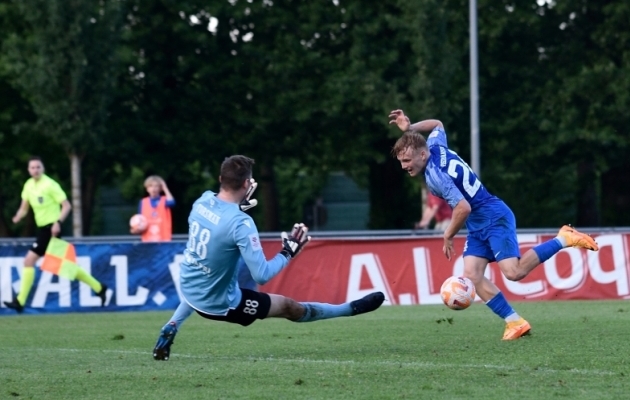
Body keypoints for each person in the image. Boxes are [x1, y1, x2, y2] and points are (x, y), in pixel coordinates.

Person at [388, 110, 599, 340]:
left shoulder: (436, 174)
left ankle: (564, 238)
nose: (404, 166)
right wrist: (410, 129)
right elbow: (438, 123)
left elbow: (463, 208)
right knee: (473, 275)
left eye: (407, 160)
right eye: (401, 161)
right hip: (479, 224)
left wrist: (448, 234)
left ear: (422, 154)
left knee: (514, 272)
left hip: (493, 216)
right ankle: (515, 322)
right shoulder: (436, 147)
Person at [152, 155, 384, 361]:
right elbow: (261, 275)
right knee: (289, 307)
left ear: (220, 177)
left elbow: (218, 224)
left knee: (204, 281)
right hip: (221, 305)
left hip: (189, 286)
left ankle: (172, 324)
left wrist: (237, 207)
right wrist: (288, 252)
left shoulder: (202, 201)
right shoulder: (241, 223)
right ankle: (348, 308)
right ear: (246, 184)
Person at [3, 156, 107, 313]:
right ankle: (99, 287)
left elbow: (66, 206)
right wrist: (18, 216)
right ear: (28, 170)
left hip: (52, 229)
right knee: (65, 267)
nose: (35, 170)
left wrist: (58, 222)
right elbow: (24, 207)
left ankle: (20, 301)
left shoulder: (50, 184)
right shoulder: (29, 185)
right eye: (32, 167)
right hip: (43, 229)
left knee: (29, 261)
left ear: (43, 168)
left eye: (38, 167)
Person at [132, 175, 175, 242]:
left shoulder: (165, 200)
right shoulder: (143, 202)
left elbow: (172, 203)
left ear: (160, 188)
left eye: (156, 186)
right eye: (150, 186)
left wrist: (165, 188)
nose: (153, 189)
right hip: (147, 241)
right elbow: (140, 220)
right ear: (147, 189)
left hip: (163, 240)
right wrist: (136, 229)